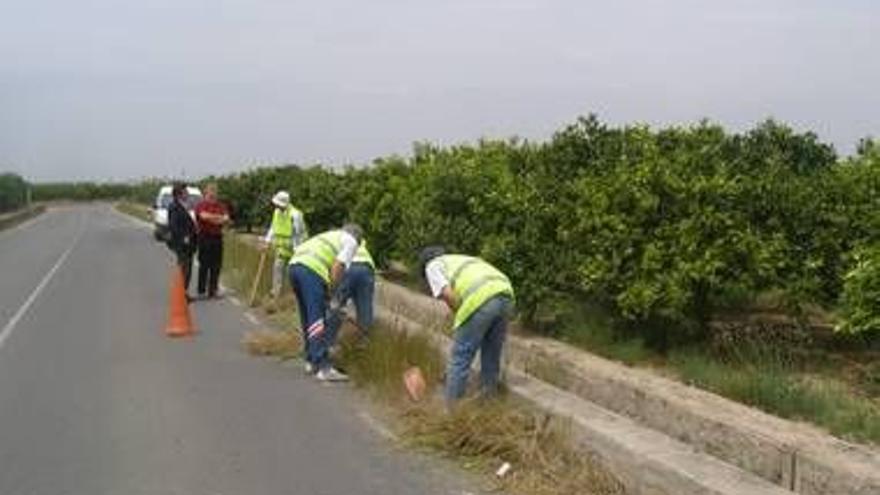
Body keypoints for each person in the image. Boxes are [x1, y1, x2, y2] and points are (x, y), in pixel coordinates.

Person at [418, 246, 515, 403]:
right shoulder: (461, 259)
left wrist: (463, 318)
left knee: (460, 358)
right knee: (491, 356)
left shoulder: (432, 266)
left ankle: (452, 412)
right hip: (506, 294)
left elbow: (448, 295)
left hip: (481, 298)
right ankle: (488, 402)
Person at [288, 224, 364, 381]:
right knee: (317, 319)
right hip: (311, 271)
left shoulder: (330, 235)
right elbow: (338, 267)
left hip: (294, 267)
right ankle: (323, 366)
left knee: (307, 316)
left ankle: (310, 359)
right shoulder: (351, 241)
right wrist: (332, 293)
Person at [326, 241, 376, 343]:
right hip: (366, 269)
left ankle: (328, 342)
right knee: (365, 309)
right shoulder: (360, 243)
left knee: (336, 305)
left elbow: (334, 268)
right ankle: (364, 343)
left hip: (348, 268)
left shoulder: (338, 241)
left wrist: (331, 289)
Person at [261, 191, 307, 298]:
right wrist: (267, 241)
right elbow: (273, 227)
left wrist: (298, 250)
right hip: (282, 248)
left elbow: (299, 234)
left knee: (293, 272)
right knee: (277, 268)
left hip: (295, 248)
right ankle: (276, 292)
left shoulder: (295, 215)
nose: (276, 206)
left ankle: (295, 294)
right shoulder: (276, 212)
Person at [194, 183, 230, 299]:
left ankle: (213, 290)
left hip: (217, 237)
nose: (213, 194)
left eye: (215, 192)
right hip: (204, 237)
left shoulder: (221, 205)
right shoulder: (201, 205)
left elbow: (226, 218)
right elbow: (203, 216)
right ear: (206, 193)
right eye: (211, 192)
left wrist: (212, 218)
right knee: (204, 265)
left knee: (216, 265)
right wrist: (217, 218)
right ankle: (201, 290)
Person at [167, 183, 198, 296]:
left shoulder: (182, 205)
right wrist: (184, 237)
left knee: (187, 268)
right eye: (185, 192)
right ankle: (182, 293)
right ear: (179, 194)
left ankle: (183, 292)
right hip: (182, 244)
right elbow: (174, 226)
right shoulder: (175, 207)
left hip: (188, 243)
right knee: (184, 268)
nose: (188, 194)